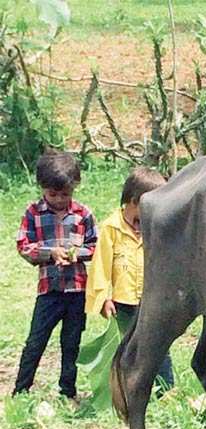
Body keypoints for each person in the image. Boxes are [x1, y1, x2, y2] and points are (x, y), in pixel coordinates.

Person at [13, 150, 97, 401]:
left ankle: (67, 391)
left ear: (75, 188)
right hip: (49, 291)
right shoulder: (33, 213)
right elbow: (23, 246)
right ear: (42, 188)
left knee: (71, 343)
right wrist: (50, 253)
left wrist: (76, 254)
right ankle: (21, 390)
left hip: (76, 290)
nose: (59, 199)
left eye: (65, 194)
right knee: (35, 341)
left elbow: (95, 246)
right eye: (53, 194)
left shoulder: (83, 214)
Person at [84, 167, 175, 396]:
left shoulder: (156, 228)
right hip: (123, 300)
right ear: (134, 202)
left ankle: (166, 390)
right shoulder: (111, 228)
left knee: (159, 344)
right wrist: (104, 298)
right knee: (128, 346)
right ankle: (127, 389)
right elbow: (101, 265)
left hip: (151, 299)